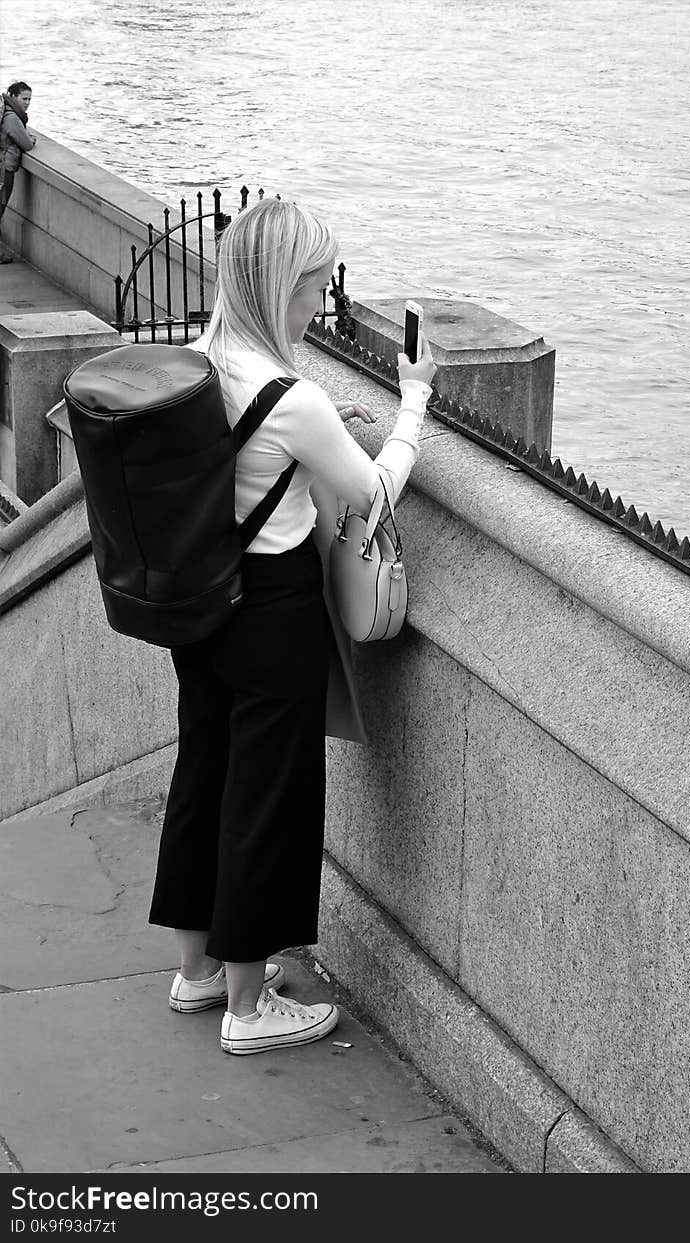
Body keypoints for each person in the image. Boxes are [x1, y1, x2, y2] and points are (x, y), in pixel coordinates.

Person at [148, 197, 436, 1055]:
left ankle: (197, 972)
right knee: (267, 793)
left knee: (204, 770)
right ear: (280, 289)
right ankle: (249, 1007)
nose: (321, 305)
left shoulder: (201, 358)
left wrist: (315, 441)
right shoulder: (294, 396)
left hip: (201, 603)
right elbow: (372, 495)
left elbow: (245, 458)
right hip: (271, 606)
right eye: (314, 288)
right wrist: (412, 405)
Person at [0, 81, 36, 263]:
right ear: (13, 96)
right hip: (4, 168)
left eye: (30, 99)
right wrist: (30, 138)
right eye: (24, 98)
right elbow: (27, 144)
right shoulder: (12, 118)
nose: (27, 103)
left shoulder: (5, 112)